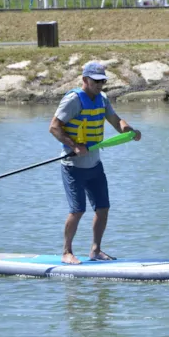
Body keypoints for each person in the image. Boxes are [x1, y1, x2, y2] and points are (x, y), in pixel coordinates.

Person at [48, 61, 142, 265]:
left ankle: (95, 250)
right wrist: (73, 146)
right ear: (85, 80)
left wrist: (129, 132)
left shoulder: (103, 99)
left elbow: (116, 121)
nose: (100, 85)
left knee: (103, 208)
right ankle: (66, 252)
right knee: (78, 210)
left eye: (103, 81)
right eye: (96, 81)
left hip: (95, 165)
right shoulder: (73, 100)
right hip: (73, 167)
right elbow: (54, 127)